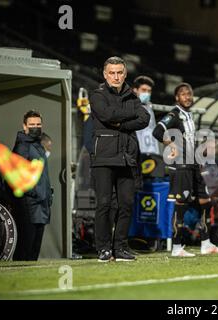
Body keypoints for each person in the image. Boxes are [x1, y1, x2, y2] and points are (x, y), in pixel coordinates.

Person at [152, 83, 218, 257]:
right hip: (181, 166)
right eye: (183, 94)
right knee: (182, 204)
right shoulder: (174, 114)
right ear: (177, 98)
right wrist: (171, 144)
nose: (187, 97)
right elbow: (157, 131)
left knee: (205, 200)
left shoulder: (189, 116)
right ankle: (177, 247)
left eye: (189, 93)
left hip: (193, 164)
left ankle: (206, 243)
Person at [90, 56, 150, 262]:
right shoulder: (97, 95)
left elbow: (145, 118)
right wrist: (128, 114)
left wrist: (121, 123)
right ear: (105, 75)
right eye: (112, 73)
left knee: (126, 204)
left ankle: (121, 247)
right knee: (104, 204)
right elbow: (106, 115)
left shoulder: (132, 97)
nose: (116, 76)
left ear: (125, 74)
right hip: (104, 158)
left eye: (119, 73)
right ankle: (104, 249)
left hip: (127, 157)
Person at [12, 110, 53, 261]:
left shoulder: (37, 145)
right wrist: (34, 192)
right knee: (25, 248)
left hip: (41, 205)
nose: (36, 127)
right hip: (29, 204)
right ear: (24, 126)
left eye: (38, 124)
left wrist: (47, 194)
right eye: (32, 125)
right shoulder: (22, 146)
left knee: (34, 249)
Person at [132, 75, 161, 156]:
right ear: (135, 90)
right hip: (135, 151)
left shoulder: (149, 107)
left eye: (149, 91)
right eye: (144, 90)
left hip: (149, 150)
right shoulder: (129, 106)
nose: (147, 94)